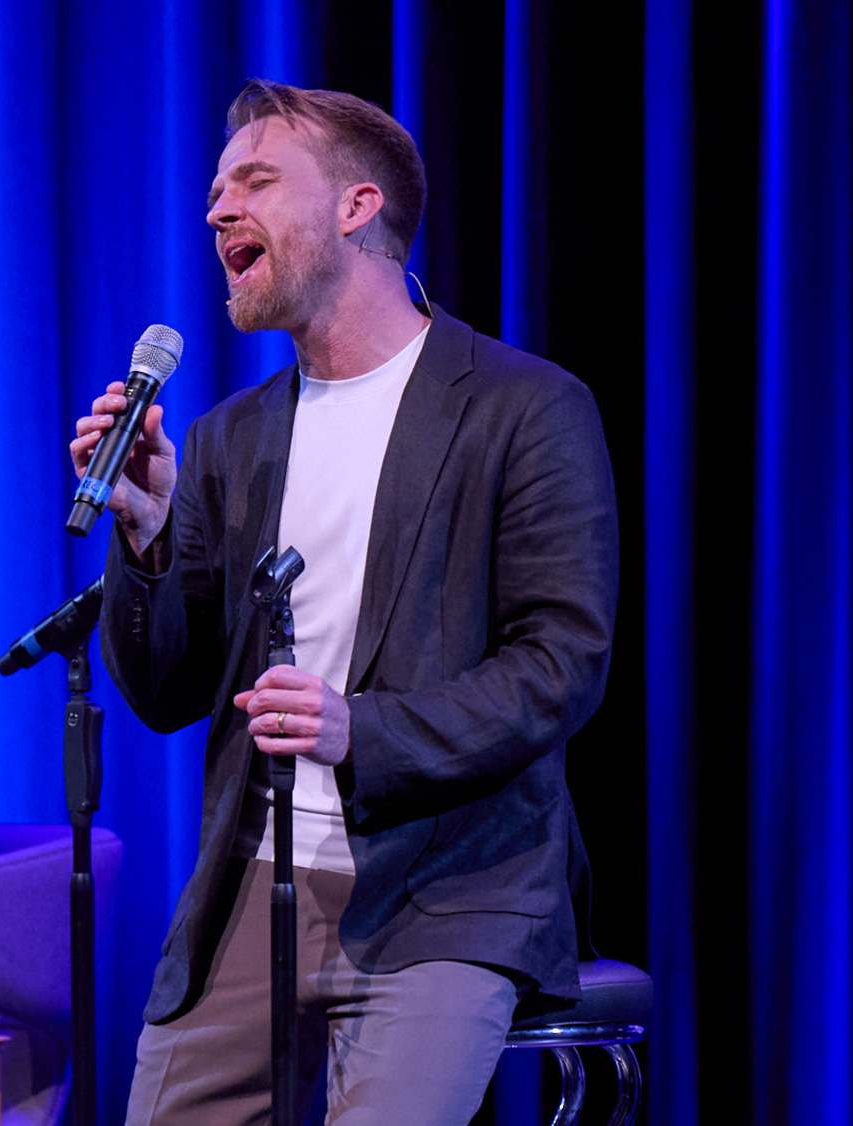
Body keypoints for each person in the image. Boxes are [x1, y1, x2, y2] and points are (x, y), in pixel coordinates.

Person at [72, 79, 619, 1125]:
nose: (218, 210)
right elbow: (167, 691)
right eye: (216, 190)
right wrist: (143, 532)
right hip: (251, 883)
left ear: (358, 206)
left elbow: (559, 664)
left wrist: (357, 729)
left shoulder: (524, 408)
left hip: (447, 890)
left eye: (254, 181)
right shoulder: (233, 436)